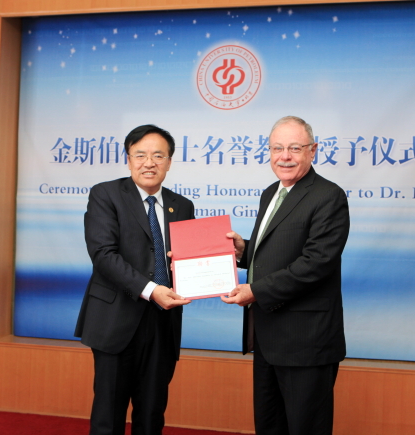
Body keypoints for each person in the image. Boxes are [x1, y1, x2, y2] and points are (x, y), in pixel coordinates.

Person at [222, 116, 350, 435]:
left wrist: (255, 291)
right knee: (269, 426)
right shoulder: (271, 193)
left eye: (295, 148)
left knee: (305, 428)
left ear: (313, 150)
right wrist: (244, 250)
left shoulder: (328, 196)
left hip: (306, 341)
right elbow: (276, 252)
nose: (285, 156)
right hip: (267, 337)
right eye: (277, 148)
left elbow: (316, 263)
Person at [75, 124, 194, 435]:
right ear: (128, 160)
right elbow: (103, 255)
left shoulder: (182, 205)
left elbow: (190, 258)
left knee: (152, 413)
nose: (149, 163)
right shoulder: (106, 194)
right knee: (109, 414)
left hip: (163, 322)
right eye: (140, 155)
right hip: (116, 319)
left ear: (169, 162)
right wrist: (151, 290)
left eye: (158, 155)